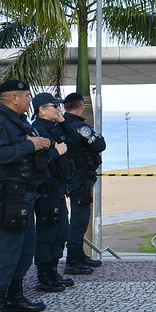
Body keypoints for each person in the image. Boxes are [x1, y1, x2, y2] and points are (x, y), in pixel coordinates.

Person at [0, 80, 50, 312]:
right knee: (7, 250)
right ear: (14, 98)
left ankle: (14, 296)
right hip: (11, 195)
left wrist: (39, 144)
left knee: (24, 249)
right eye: (27, 96)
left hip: (26, 194)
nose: (31, 100)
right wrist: (31, 144)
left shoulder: (20, 122)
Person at [31, 93, 76, 292]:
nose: (58, 109)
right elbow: (36, 159)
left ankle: (53, 271)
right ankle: (44, 275)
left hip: (58, 187)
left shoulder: (54, 127)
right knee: (47, 233)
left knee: (61, 232)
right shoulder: (37, 129)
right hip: (46, 188)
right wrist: (56, 152)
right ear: (42, 109)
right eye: (54, 106)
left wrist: (63, 121)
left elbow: (73, 141)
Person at [62, 92, 106, 273]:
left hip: (74, 177)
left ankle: (79, 255)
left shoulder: (63, 126)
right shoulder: (79, 127)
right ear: (81, 107)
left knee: (79, 218)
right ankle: (73, 259)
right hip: (79, 178)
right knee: (79, 220)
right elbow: (99, 145)